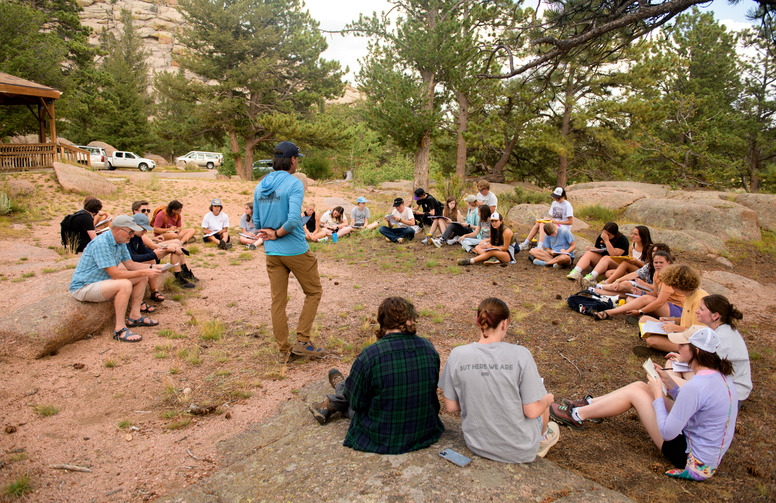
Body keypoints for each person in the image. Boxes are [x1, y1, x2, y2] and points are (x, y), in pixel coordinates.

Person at [551, 326, 738, 481]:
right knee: (641, 386)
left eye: (682, 345)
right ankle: (586, 407)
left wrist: (658, 395)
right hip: (706, 453)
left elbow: (667, 432)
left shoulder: (696, 386)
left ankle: (577, 415)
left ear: (696, 352)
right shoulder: (721, 377)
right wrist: (669, 383)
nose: (678, 348)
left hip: (690, 458)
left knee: (637, 393)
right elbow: (695, 405)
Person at [309, 297, 444, 454]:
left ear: (382, 321)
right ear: (411, 318)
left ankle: (337, 395)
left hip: (383, 432)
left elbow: (357, 403)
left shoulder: (370, 355)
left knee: (353, 392)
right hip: (424, 429)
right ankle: (341, 388)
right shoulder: (428, 347)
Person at [440, 298, 559, 462]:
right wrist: (547, 400)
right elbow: (531, 411)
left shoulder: (457, 355)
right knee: (540, 393)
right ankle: (542, 439)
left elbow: (451, 406)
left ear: (477, 321)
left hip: (477, 445)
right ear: (504, 323)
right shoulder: (521, 354)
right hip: (521, 450)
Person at [254, 141, 325, 363]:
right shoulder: (294, 184)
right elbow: (294, 219)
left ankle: (284, 350)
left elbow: (256, 221)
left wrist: (270, 235)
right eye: (297, 159)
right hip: (294, 249)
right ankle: (302, 342)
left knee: (278, 301)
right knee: (313, 292)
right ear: (292, 160)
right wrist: (278, 233)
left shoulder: (260, 186)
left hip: (272, 253)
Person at [69, 215, 163, 343]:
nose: (132, 235)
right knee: (124, 284)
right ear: (118, 230)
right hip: (85, 286)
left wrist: (153, 267)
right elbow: (115, 274)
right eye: (130, 232)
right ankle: (119, 329)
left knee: (142, 277)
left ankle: (135, 316)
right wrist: (144, 270)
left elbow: (130, 265)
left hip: (101, 282)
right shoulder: (101, 243)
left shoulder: (120, 242)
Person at [664, 295, 751, 404]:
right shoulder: (720, 330)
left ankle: (676, 393)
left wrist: (685, 361)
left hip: (729, 394)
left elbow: (707, 373)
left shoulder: (719, 339)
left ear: (715, 316)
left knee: (666, 378)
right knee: (673, 363)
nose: (697, 311)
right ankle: (675, 389)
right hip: (719, 382)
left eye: (701, 309)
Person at [640, 265, 708, 353]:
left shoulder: (700, 300)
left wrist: (675, 328)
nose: (671, 288)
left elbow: (699, 332)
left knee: (652, 340)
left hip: (691, 341)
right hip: (680, 332)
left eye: (672, 285)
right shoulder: (688, 296)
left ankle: (659, 344)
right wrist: (672, 320)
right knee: (644, 319)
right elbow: (686, 319)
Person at [131, 200, 198, 289]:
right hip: (148, 253)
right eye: (144, 210)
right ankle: (179, 275)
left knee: (177, 243)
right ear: (135, 211)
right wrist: (167, 247)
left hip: (151, 248)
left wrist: (154, 240)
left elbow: (145, 244)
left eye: (148, 210)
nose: (146, 212)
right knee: (175, 245)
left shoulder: (139, 228)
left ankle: (183, 271)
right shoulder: (135, 228)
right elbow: (152, 243)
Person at [592, 250, 676, 320]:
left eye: (661, 262)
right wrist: (642, 293)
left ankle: (609, 312)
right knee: (631, 298)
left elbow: (660, 302)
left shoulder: (669, 277)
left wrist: (641, 310)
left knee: (643, 298)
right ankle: (641, 318)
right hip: (664, 305)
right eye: (656, 262)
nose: (658, 265)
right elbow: (656, 293)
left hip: (675, 309)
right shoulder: (657, 274)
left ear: (668, 263)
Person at [581, 225, 653, 289]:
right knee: (608, 273)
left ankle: (605, 284)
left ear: (643, 236)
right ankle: (619, 283)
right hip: (631, 269)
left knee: (625, 263)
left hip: (643, 272)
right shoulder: (633, 245)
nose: (632, 236)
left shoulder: (650, 249)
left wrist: (636, 262)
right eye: (633, 234)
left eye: (636, 234)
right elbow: (629, 258)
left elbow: (651, 267)